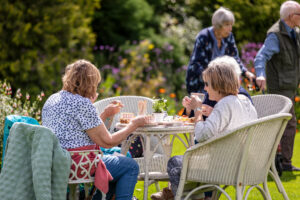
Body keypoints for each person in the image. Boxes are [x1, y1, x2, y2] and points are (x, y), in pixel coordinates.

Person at [42, 59, 150, 200]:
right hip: (77, 164)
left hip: (55, 161)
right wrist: (134, 124)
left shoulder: (52, 99)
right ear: (90, 82)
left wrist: (105, 114)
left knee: (118, 161)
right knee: (130, 166)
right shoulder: (82, 103)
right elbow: (108, 142)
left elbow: (84, 132)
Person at [152, 56, 258, 199]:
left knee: (175, 163)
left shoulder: (225, 104)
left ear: (218, 85)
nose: (205, 88)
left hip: (223, 167)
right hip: (246, 164)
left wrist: (197, 110)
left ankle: (190, 196)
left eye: (207, 84)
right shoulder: (245, 102)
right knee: (193, 157)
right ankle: (198, 197)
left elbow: (202, 135)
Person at [254, 0, 300, 171]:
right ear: (291, 16)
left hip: (289, 85)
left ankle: (278, 162)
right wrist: (260, 74)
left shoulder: (295, 32)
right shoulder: (275, 35)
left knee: (284, 124)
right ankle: (278, 163)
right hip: (279, 87)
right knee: (286, 123)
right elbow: (260, 57)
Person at [186, 7, 255, 95]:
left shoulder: (229, 37)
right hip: (201, 84)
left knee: (242, 94)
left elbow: (234, 59)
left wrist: (247, 73)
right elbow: (196, 64)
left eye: (231, 25)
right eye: (227, 25)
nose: (230, 29)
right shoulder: (204, 37)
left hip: (219, 84)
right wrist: (212, 80)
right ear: (218, 25)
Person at [183, 56, 253, 119]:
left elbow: (237, 121)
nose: (205, 88)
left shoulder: (240, 97)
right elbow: (195, 116)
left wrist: (214, 113)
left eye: (208, 82)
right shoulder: (212, 94)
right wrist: (189, 109)